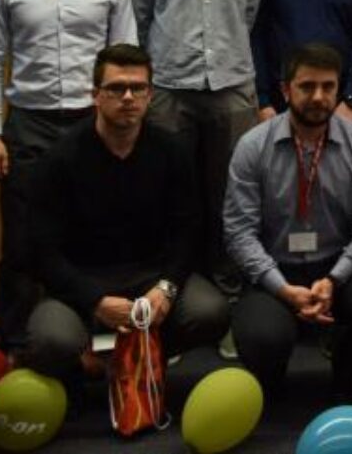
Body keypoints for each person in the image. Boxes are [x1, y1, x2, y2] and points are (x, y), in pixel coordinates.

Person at [0, 0, 138, 352]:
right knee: (21, 244)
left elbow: (126, 60)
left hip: (94, 126)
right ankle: (16, 349)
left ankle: (92, 346)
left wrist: (126, 126)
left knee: (94, 238)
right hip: (29, 123)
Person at [22, 45, 227, 380]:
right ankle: (92, 362)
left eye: (138, 88)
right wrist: (96, 300)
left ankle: (141, 356)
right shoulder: (59, 160)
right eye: (116, 88)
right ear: (95, 96)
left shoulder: (172, 151)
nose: (128, 97)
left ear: (150, 95)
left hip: (151, 277)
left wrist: (166, 288)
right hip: (82, 282)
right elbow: (41, 251)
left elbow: (188, 231)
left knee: (209, 312)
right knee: (52, 340)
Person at [123, 0, 269, 285]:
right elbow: (138, 14)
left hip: (233, 87)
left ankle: (228, 294)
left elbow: (249, 10)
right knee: (168, 195)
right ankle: (172, 291)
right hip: (169, 89)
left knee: (234, 199)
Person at [224, 43, 352, 398]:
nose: (319, 97)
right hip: (274, 273)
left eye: (328, 87)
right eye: (307, 86)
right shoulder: (252, 146)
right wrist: (282, 288)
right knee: (262, 338)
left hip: (339, 269)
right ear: (285, 89)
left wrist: (335, 278)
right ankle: (272, 375)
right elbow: (238, 233)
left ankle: (346, 358)